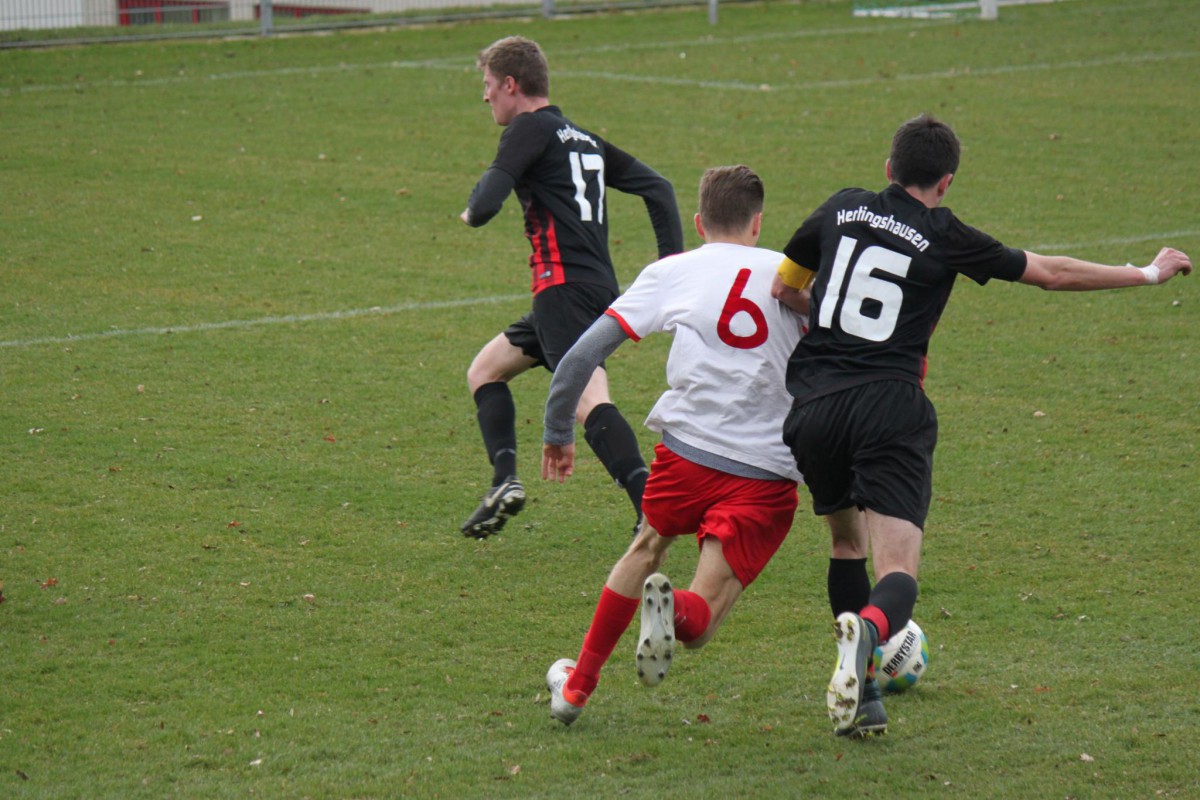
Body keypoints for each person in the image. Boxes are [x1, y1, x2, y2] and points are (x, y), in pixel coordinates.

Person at [771, 112, 1192, 738]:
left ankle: (864, 699)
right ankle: (868, 637)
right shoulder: (946, 234)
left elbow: (786, 288)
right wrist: (1147, 273)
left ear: (888, 169)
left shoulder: (840, 207)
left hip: (811, 411)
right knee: (898, 576)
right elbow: (1050, 273)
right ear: (945, 183)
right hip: (889, 405)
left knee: (844, 542)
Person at [540, 165, 809, 725]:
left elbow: (580, 358)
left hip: (685, 455)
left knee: (645, 548)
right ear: (758, 223)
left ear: (698, 221)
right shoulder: (794, 274)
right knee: (701, 623)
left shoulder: (672, 271)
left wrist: (558, 431)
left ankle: (577, 689)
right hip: (764, 467)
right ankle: (673, 611)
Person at [458, 35, 684, 540]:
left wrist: (473, 212)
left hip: (561, 289)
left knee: (586, 399)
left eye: (489, 85)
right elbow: (660, 189)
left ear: (511, 85)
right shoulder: (580, 137)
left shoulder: (528, 128)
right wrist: (672, 265)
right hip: (591, 288)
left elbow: (491, 194)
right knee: (486, 371)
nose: (486, 96)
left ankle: (651, 508)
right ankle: (504, 482)